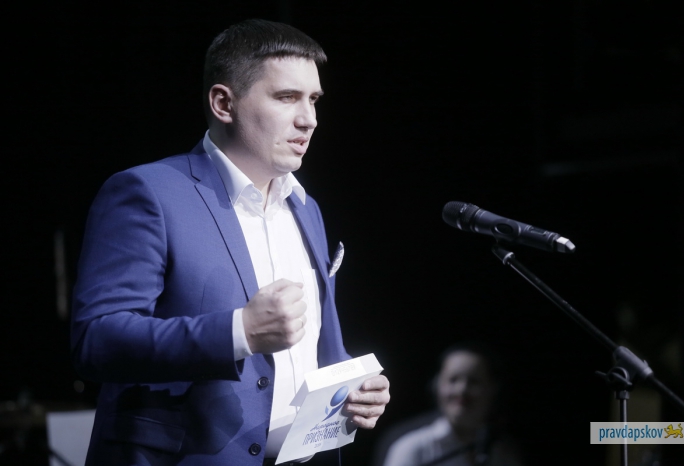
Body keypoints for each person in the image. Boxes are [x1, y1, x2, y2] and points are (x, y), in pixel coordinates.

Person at [70, 19, 390, 466]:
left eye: (314, 99)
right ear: (224, 103)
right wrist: (240, 331)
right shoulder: (149, 192)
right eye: (286, 97)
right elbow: (97, 339)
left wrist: (352, 388)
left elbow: (312, 350)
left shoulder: (306, 208)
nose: (309, 119)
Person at [381, 342, 521, 466]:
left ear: (492, 389)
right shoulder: (412, 449)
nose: (462, 390)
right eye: (453, 380)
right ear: (436, 386)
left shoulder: (503, 454)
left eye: (474, 381)